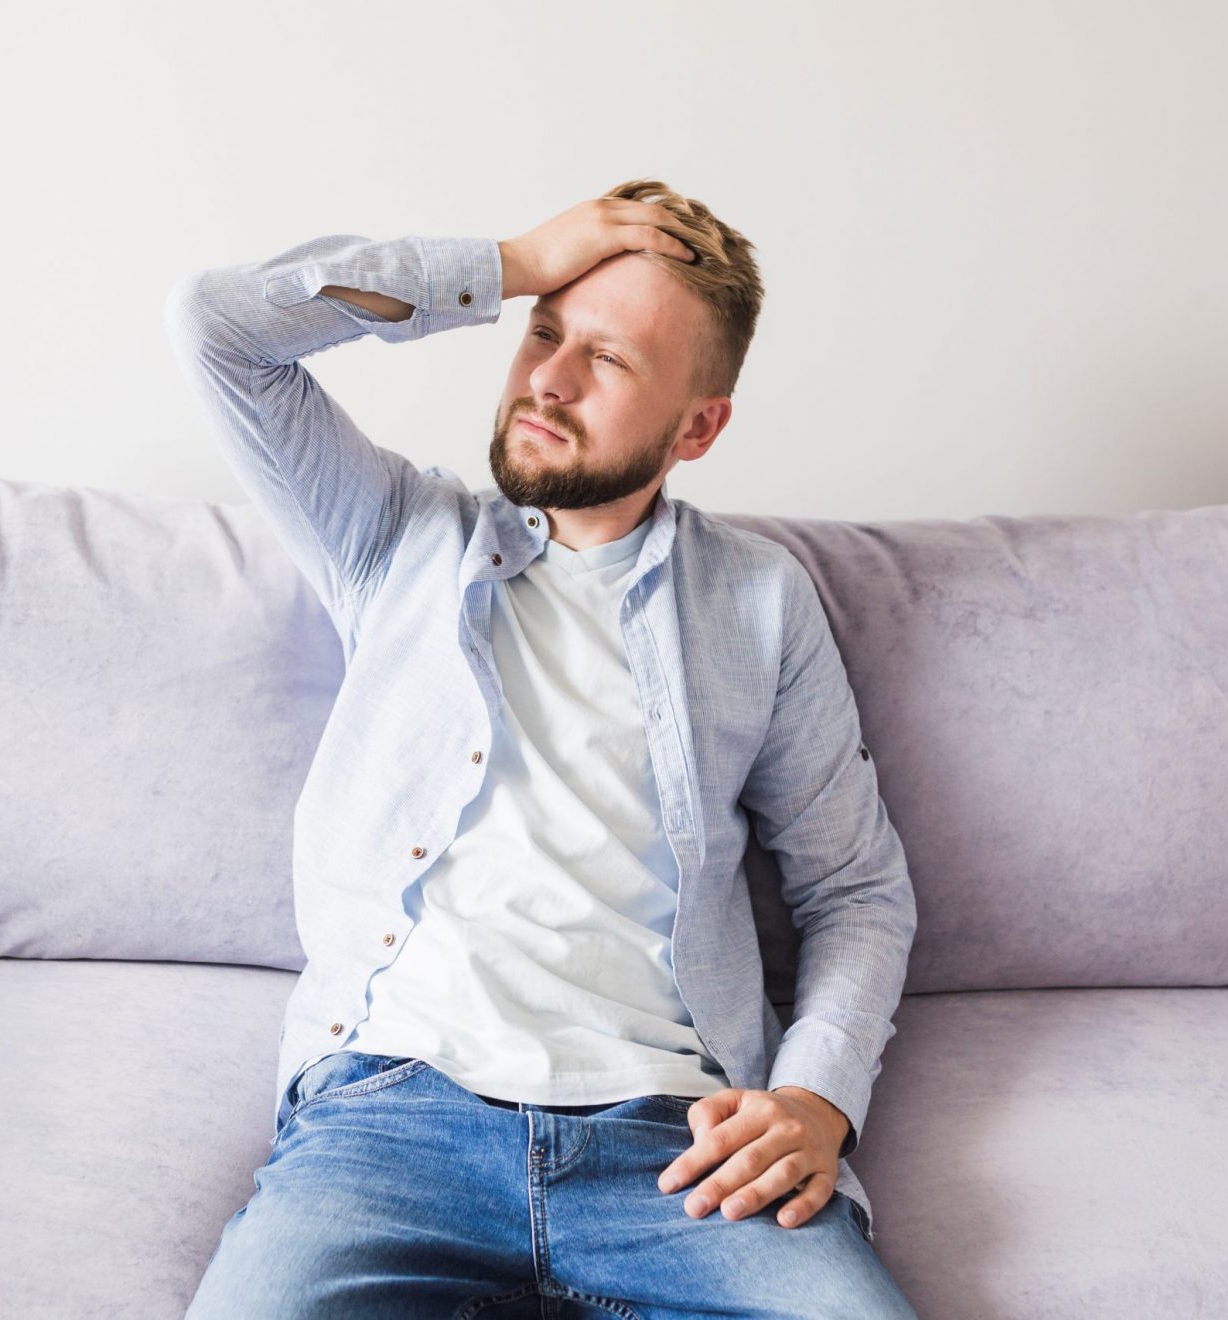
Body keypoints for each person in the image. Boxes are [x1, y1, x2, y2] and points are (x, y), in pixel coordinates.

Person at [164, 179, 919, 1318]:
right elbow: (219, 326)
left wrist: (817, 1098)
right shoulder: (396, 539)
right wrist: (516, 259)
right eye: (545, 335)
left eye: (609, 361)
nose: (548, 381)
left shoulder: (760, 602)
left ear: (698, 426)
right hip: (392, 1118)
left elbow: (856, 890)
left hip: (676, 1141)